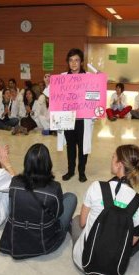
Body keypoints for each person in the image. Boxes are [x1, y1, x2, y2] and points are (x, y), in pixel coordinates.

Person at [72, 144, 139, 270]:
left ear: (119, 164)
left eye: (113, 157)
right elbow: (131, 243)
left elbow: (82, 222)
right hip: (112, 268)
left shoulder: (96, 187)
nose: (111, 160)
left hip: (85, 262)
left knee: (76, 220)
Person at [0, 144, 77, 259]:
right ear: (48, 164)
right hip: (45, 243)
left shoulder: (14, 183)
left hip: (17, 239)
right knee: (71, 197)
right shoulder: (54, 188)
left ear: (26, 162)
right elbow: (58, 214)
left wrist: (7, 163)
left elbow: (12, 209)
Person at [43, 48, 94, 182]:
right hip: (68, 119)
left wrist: (100, 82)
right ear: (68, 62)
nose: (74, 63)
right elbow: (51, 94)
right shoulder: (62, 77)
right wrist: (48, 83)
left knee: (83, 147)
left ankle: (81, 172)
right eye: (71, 60)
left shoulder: (89, 77)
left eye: (76, 60)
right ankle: (71, 171)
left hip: (83, 119)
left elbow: (95, 96)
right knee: (70, 146)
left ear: (81, 62)